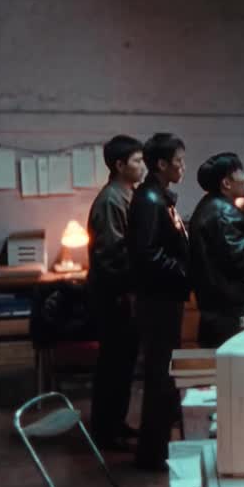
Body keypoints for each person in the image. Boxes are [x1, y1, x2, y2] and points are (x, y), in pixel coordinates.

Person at [127, 133, 189, 470]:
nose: (182, 166)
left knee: (164, 375)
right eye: (178, 161)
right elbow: (147, 253)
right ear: (162, 164)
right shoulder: (150, 200)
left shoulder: (159, 196)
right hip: (158, 300)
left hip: (165, 297)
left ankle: (159, 448)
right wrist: (183, 272)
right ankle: (152, 454)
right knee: (159, 376)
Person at [86, 135, 145, 450]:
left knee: (123, 365)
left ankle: (116, 424)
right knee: (114, 364)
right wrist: (129, 288)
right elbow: (113, 254)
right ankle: (106, 432)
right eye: (137, 160)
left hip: (124, 294)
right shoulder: (112, 200)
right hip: (115, 297)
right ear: (120, 165)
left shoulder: (127, 194)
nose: (142, 166)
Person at [189, 153, 244, 348]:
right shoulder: (225, 213)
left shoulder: (208, 205)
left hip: (212, 307)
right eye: (240, 173)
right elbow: (241, 261)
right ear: (226, 183)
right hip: (227, 309)